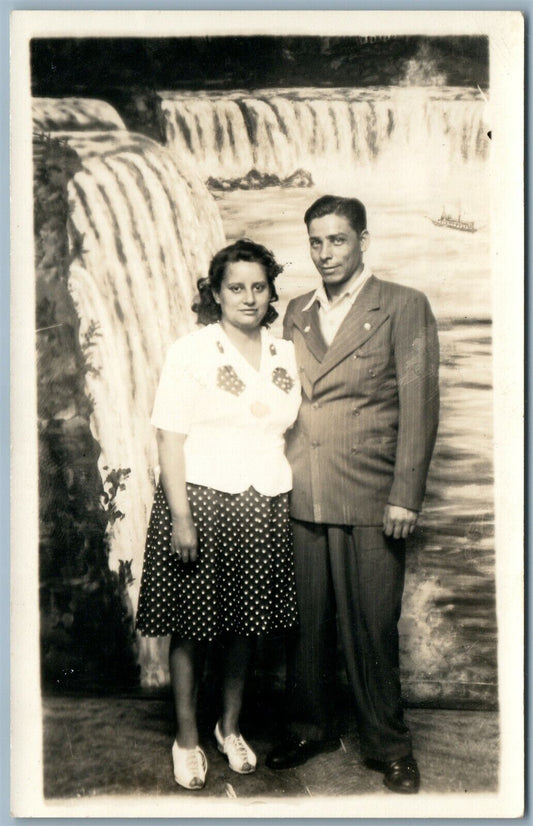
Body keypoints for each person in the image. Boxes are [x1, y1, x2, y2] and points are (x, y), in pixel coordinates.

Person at [266, 195, 439, 794]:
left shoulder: (405, 306)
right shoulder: (295, 310)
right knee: (307, 624)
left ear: (363, 239)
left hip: (371, 495)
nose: (325, 253)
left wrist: (406, 495)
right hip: (303, 492)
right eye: (316, 241)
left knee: (372, 625)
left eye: (337, 240)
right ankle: (310, 728)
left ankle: (388, 745)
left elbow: (420, 407)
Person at [136, 239, 301, 790]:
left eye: (259, 286)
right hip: (201, 502)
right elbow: (170, 438)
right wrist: (181, 517)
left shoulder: (284, 353)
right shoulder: (193, 351)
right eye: (236, 287)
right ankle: (186, 739)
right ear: (216, 293)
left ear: (271, 291)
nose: (249, 298)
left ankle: (229, 729)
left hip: (264, 503)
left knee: (244, 630)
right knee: (192, 628)